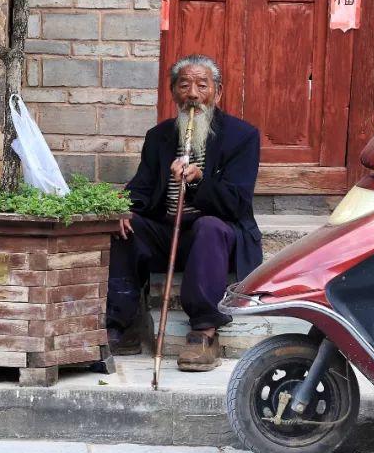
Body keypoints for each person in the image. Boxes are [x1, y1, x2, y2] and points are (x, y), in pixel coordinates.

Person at [106, 54, 262, 371]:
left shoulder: (242, 136)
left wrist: (199, 183)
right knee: (126, 225)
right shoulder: (159, 136)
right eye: (184, 85)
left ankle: (204, 331)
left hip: (216, 237)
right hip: (168, 232)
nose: (193, 94)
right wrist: (123, 206)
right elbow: (142, 188)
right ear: (174, 92)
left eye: (202, 85)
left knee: (208, 227)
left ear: (217, 92)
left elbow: (237, 202)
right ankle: (122, 324)